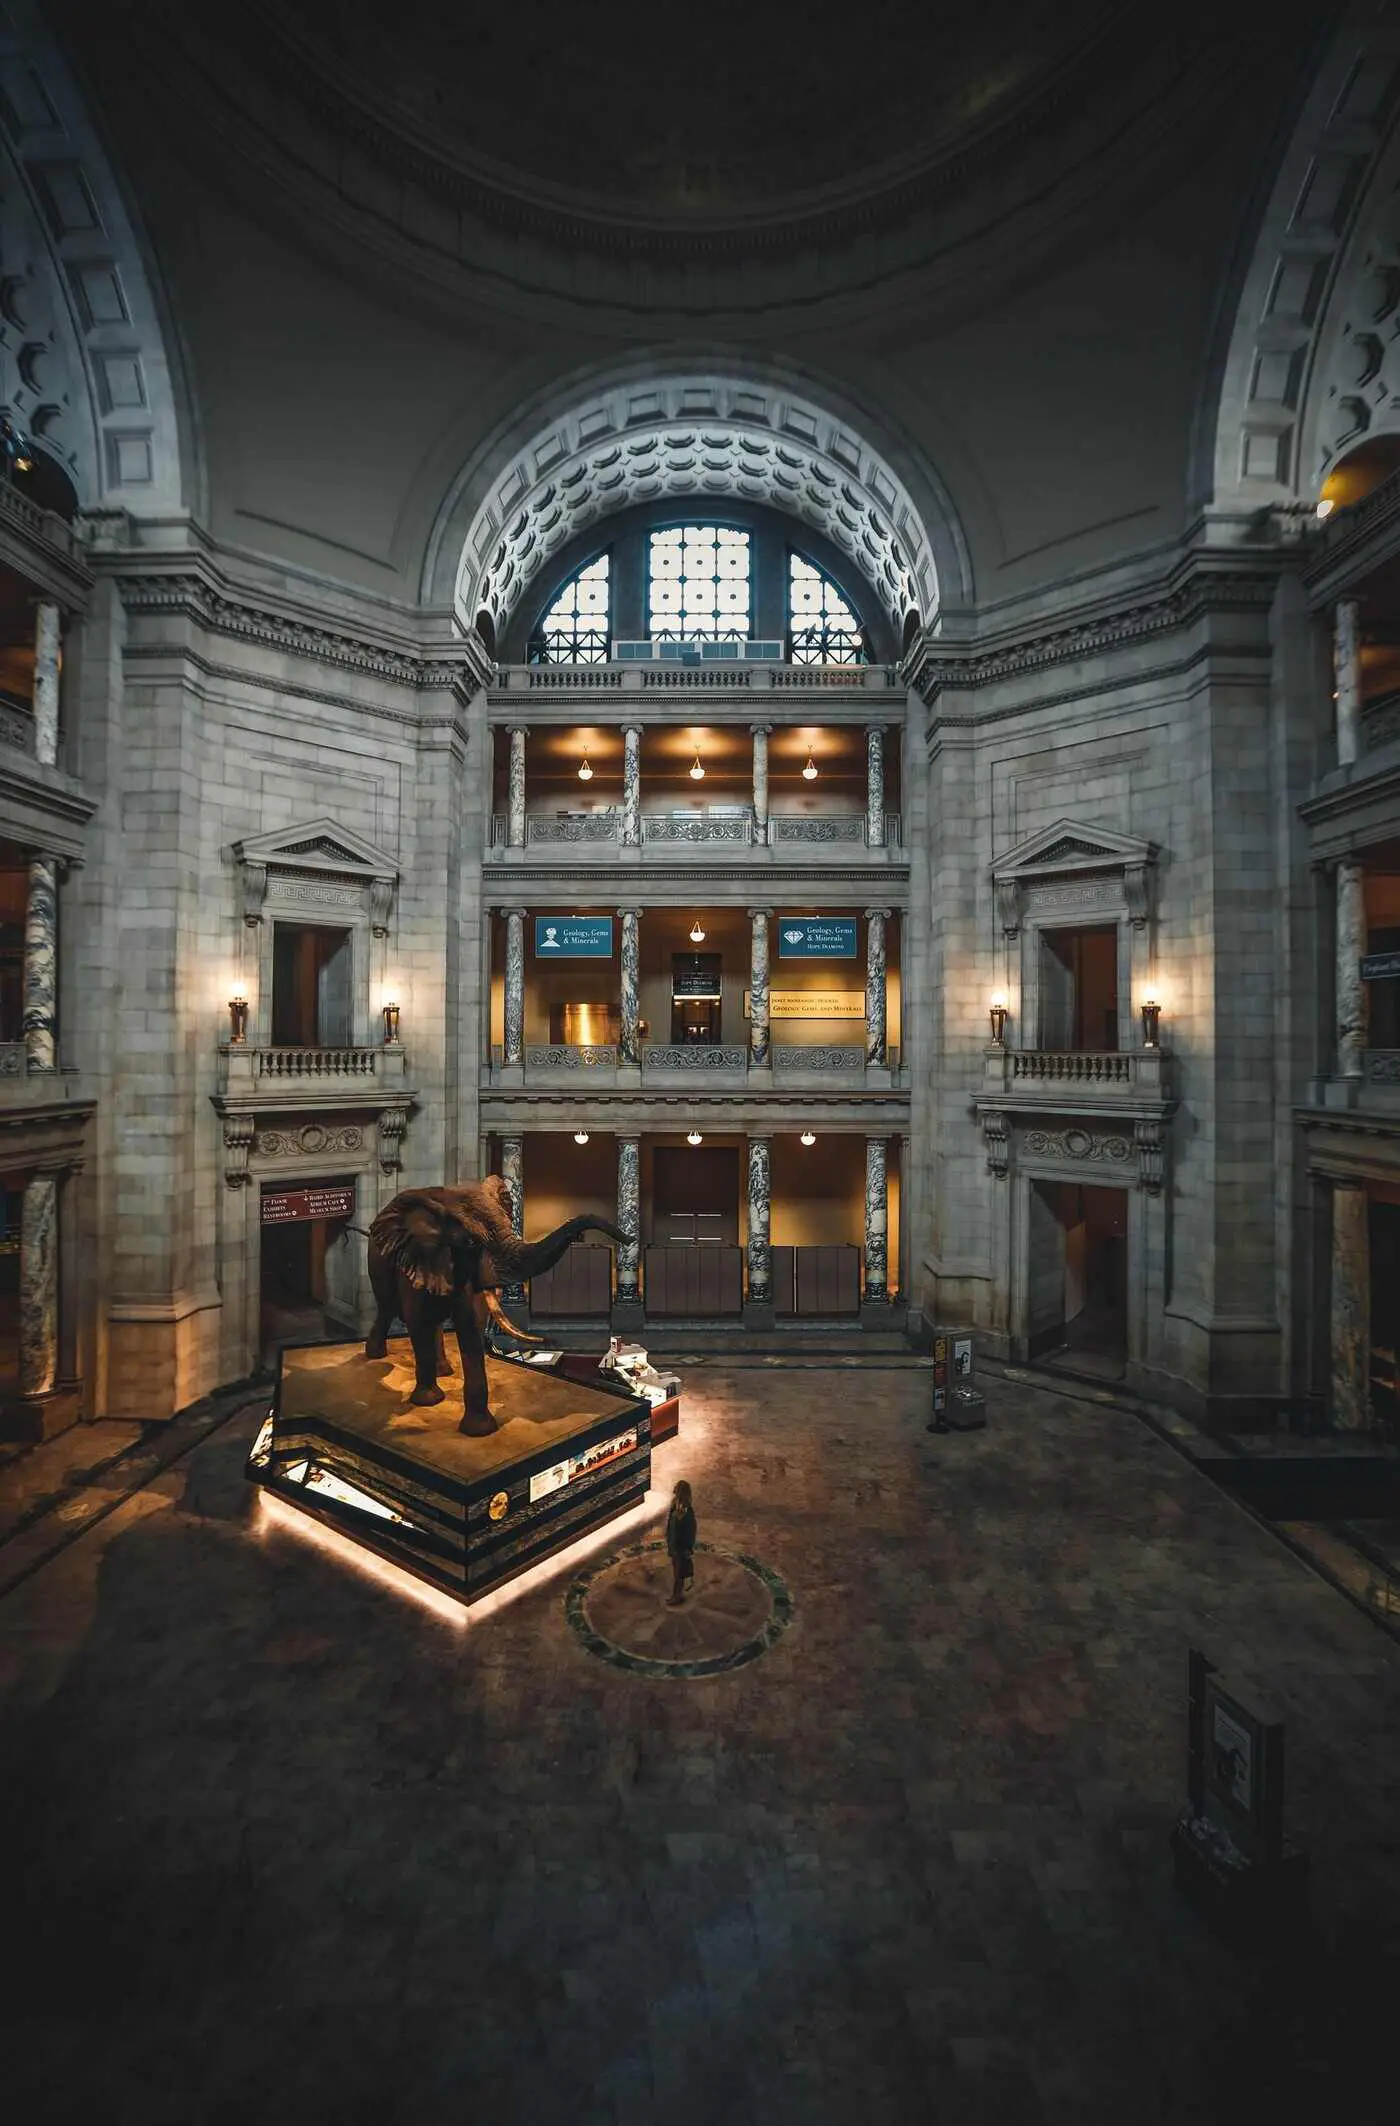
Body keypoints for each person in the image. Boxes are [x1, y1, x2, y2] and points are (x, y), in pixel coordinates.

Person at [665, 1479, 696, 1607]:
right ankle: (678, 1595)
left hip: (681, 1548)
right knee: (677, 1572)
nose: (674, 1490)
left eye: (677, 1489)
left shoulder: (687, 1512)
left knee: (679, 1574)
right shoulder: (674, 1506)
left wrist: (688, 1548)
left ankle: (676, 1596)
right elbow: (670, 1524)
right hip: (674, 1546)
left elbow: (690, 1531)